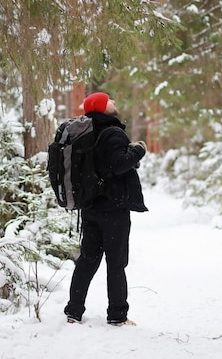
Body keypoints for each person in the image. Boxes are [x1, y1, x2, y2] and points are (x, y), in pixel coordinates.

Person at [64, 91, 148, 326]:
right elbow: (118, 165)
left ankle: (73, 311)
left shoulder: (86, 133)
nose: (114, 101)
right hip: (113, 208)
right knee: (116, 262)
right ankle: (117, 315)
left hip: (90, 207)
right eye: (109, 100)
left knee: (88, 260)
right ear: (102, 108)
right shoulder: (112, 132)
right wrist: (138, 150)